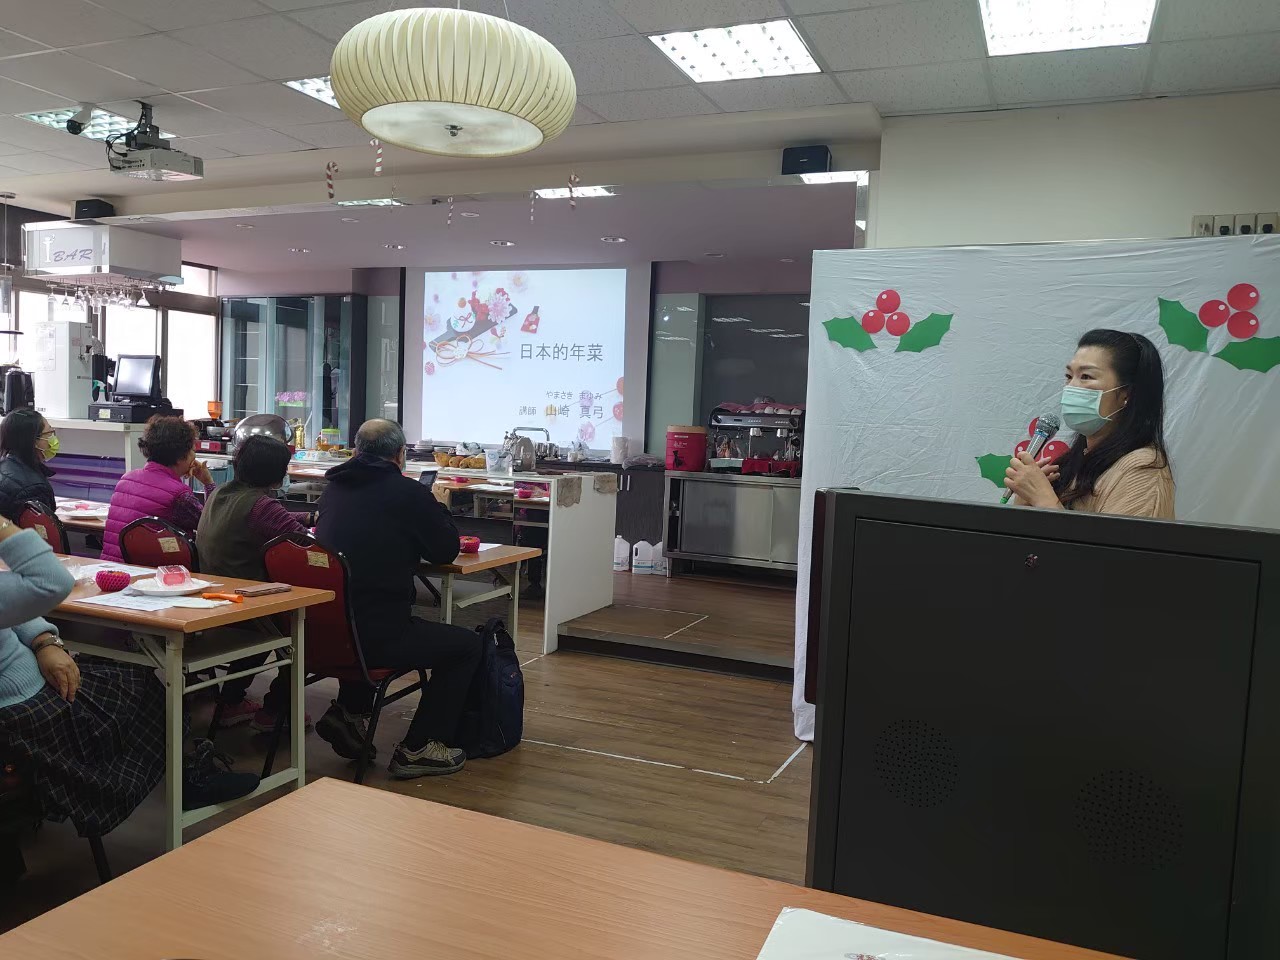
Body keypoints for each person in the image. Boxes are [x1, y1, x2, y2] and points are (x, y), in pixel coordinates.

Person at [315, 419, 481, 779]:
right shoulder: (408, 493)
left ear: (356, 450)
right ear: (401, 454)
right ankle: (419, 747)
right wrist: (437, 505)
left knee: (360, 603)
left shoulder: (333, 488)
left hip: (325, 633)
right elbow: (444, 550)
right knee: (467, 646)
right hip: (376, 638)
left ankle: (349, 713)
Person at [0, 514, 167, 835]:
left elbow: (10, 604)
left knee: (118, 674)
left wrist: (44, 640)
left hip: (29, 687)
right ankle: (178, 780)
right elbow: (51, 582)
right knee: (141, 685)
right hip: (24, 709)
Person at [196, 435, 315, 730]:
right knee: (310, 626)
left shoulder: (220, 493)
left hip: (215, 598)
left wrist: (310, 515)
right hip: (250, 607)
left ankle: (232, 700)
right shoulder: (261, 507)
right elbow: (304, 542)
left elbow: (274, 518)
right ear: (276, 473)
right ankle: (277, 710)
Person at [1004, 329, 1174, 519]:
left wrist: (1044, 499)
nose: (1070, 387)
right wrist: (1025, 501)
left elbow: (1115, 540)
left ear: (1126, 394)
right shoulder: (1077, 460)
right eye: (1069, 376)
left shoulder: (1143, 468)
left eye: (1086, 377)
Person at [101, 416, 214, 562]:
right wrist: (208, 483)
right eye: (193, 450)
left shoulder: (126, 480)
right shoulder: (179, 495)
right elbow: (212, 526)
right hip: (156, 574)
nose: (194, 456)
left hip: (112, 570)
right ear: (181, 456)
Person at [0, 409, 58, 522]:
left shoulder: (4, 465)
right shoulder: (34, 488)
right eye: (49, 433)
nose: (53, 439)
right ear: (33, 440)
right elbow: (42, 530)